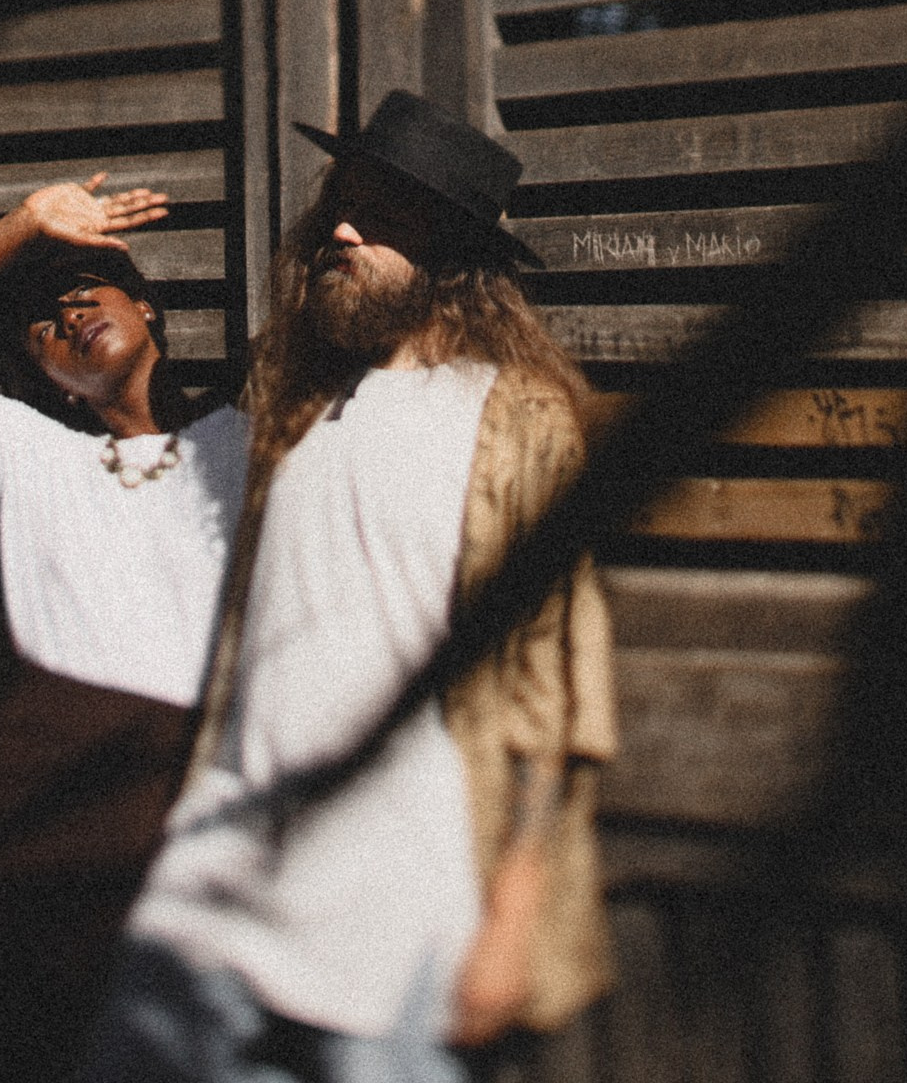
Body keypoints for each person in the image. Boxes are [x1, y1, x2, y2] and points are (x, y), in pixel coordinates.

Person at [82, 91, 618, 1083]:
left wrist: (513, 913)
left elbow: (554, 683)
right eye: (341, 202)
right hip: (220, 876)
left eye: (381, 214)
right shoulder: (288, 409)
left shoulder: (513, 415)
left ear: (452, 249)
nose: (339, 226)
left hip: (407, 900)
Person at [0, 173, 253, 1078]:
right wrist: (25, 223)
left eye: (85, 297)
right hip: (65, 814)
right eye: (42, 329)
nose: (68, 321)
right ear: (44, 378)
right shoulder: (30, 457)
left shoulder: (256, 428)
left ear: (149, 310)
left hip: (222, 796)